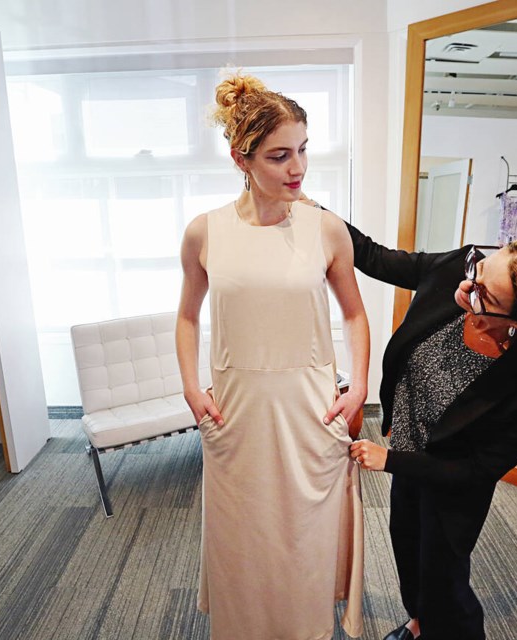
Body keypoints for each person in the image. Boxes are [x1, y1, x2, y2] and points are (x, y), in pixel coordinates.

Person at [175, 71, 369, 640]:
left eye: (304, 150)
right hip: (236, 411)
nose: (298, 168)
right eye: (279, 155)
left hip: (310, 410)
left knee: (303, 539)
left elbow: (355, 314)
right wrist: (191, 388)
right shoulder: (203, 232)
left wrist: (358, 386)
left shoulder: (327, 229)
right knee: (243, 539)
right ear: (242, 158)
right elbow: (187, 316)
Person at [340, 226, 517, 640]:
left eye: (484, 296)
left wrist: (391, 461)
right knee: (406, 549)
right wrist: (302, 199)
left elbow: (479, 469)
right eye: (479, 271)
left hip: (451, 487)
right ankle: (418, 623)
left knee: (444, 580)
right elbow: (373, 256)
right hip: (406, 459)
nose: (465, 289)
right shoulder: (455, 270)